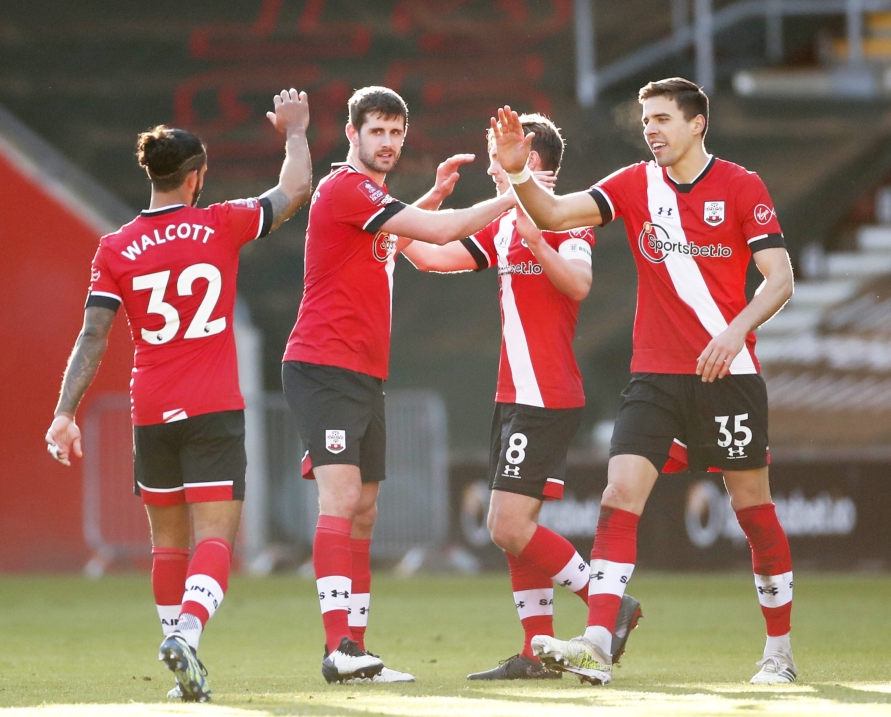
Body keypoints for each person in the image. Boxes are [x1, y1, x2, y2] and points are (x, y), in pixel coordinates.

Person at [492, 77, 796, 686]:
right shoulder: (634, 183)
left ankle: (779, 654)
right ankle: (599, 643)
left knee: (753, 511)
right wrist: (520, 172)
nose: (650, 130)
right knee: (617, 496)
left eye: (661, 119)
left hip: (727, 376)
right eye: (645, 120)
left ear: (697, 124)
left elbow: (780, 279)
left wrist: (735, 332)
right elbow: (552, 212)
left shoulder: (741, 186)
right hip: (654, 377)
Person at [44, 89, 312, 702]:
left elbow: (92, 335)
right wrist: (295, 132)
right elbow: (294, 190)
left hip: (151, 412)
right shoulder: (220, 222)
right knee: (216, 540)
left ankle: (179, 663)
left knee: (167, 544)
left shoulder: (114, 248)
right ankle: (188, 635)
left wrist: (64, 413)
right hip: (213, 406)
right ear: (196, 177)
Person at [281, 85, 520, 684]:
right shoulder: (345, 187)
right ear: (353, 135)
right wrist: (516, 195)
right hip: (324, 365)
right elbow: (438, 236)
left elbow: (428, 253)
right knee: (339, 500)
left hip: (361, 372)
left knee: (364, 509)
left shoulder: (374, 199)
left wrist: (434, 198)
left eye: (396, 133)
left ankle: (356, 649)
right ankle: (339, 648)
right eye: (377, 131)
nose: (387, 142)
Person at [399, 114, 642, 681]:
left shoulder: (568, 215)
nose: (490, 163)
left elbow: (579, 285)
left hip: (546, 394)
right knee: (517, 533)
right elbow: (428, 254)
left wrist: (538, 236)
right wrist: (421, 204)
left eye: (501, 151)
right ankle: (537, 652)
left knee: (506, 526)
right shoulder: (503, 220)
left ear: (531, 157)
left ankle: (609, 605)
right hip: (514, 395)